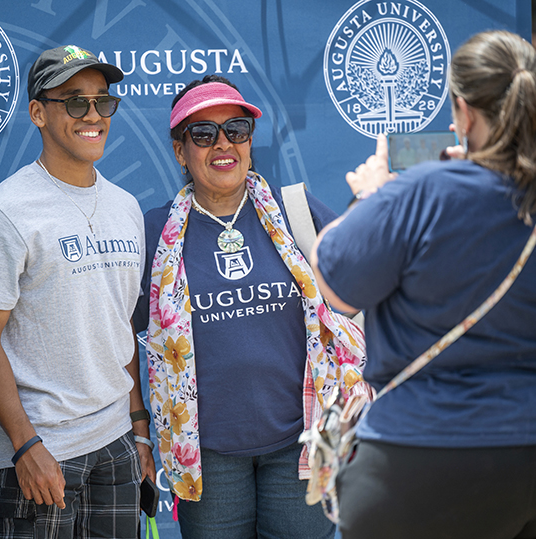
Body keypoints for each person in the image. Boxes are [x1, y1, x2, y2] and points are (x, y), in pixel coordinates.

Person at [312, 30, 536, 538]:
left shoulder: (421, 193)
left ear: (463, 112)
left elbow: (336, 284)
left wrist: (373, 198)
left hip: (431, 457)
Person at [133, 74, 369, 539]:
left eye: (236, 129)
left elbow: (361, 293)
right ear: (181, 152)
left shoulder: (295, 211)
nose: (223, 143)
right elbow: (119, 336)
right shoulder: (155, 233)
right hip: (207, 457)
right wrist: (140, 426)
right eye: (203, 134)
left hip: (299, 445)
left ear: (249, 140)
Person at [0, 44, 155, 539]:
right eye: (74, 101)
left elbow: (121, 328)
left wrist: (138, 433)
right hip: (41, 452)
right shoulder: (3, 213)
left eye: (102, 101)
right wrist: (25, 447)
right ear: (37, 113)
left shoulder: (126, 207)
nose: (93, 115)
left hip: (116, 447)